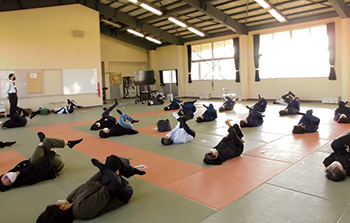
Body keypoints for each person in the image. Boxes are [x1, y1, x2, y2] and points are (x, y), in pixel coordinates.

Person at [37, 155, 146, 222]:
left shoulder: (70, 198)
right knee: (113, 165)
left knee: (112, 161)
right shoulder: (82, 210)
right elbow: (106, 192)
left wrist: (104, 171)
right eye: (55, 203)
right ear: (60, 207)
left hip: (104, 183)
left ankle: (127, 169)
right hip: (120, 192)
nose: (56, 201)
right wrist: (110, 173)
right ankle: (128, 169)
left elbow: (90, 182)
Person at [0, 132, 83, 192]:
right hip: (55, 165)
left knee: (47, 141)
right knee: (33, 161)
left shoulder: (16, 169)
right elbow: (44, 167)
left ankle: (68, 143)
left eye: (6, 177)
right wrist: (52, 153)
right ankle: (41, 143)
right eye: (10, 181)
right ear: (12, 184)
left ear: (4, 174)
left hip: (47, 160)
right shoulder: (26, 178)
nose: (9, 177)